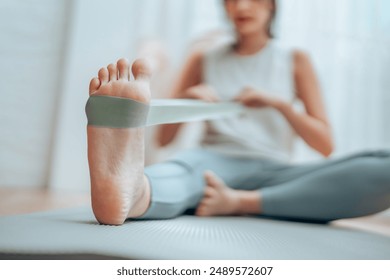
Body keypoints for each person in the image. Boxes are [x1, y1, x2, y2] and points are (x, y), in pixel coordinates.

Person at [86, 0, 390, 225]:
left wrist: (281, 104)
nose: (241, 6)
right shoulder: (203, 58)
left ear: (272, 6)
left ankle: (238, 201)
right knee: (182, 172)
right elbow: (165, 140)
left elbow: (325, 145)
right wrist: (188, 97)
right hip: (213, 164)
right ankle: (132, 192)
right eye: (231, 0)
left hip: (275, 172)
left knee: (381, 165)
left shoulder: (295, 60)